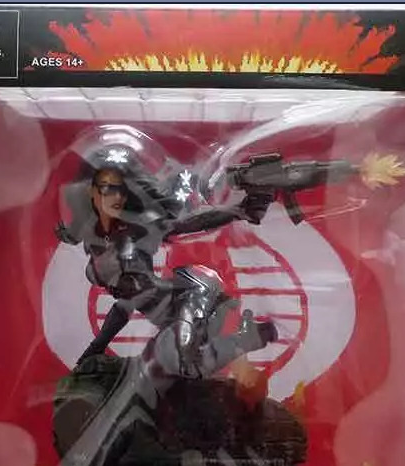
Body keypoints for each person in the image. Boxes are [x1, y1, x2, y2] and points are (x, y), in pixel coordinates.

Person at [55, 145, 276, 367]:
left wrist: (238, 211)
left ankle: (250, 337)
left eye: (116, 189)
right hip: (164, 309)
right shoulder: (101, 235)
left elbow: (189, 222)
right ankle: (248, 337)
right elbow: (125, 303)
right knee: (175, 361)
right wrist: (96, 348)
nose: (111, 196)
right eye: (103, 188)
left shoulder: (138, 228)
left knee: (188, 357)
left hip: (185, 301)